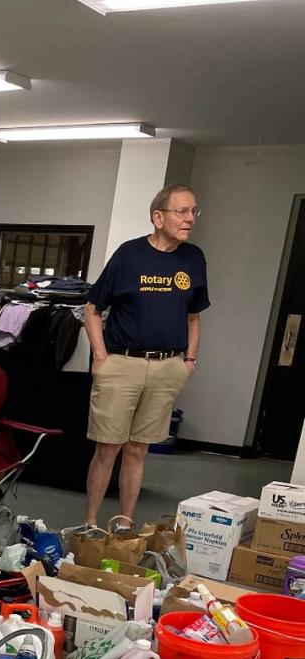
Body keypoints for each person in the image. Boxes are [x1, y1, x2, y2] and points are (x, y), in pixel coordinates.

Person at [84, 184, 210, 525]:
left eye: (193, 211)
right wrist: (100, 357)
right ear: (158, 217)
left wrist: (189, 361)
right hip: (122, 363)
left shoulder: (194, 258)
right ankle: (91, 523)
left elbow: (193, 315)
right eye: (181, 211)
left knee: (139, 449)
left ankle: (124, 522)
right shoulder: (129, 255)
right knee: (107, 449)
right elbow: (93, 309)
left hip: (168, 366)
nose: (189, 219)